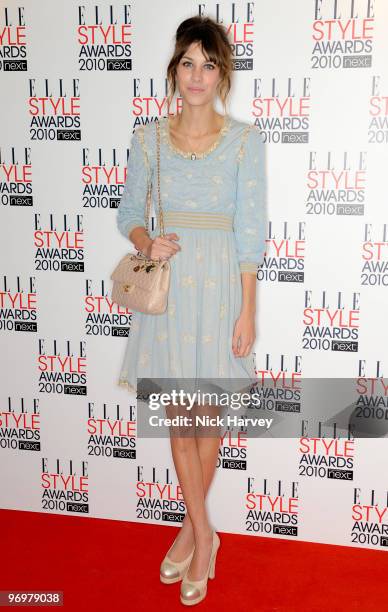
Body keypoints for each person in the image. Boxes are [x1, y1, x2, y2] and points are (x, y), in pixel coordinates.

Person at [116, 15, 267, 607]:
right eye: (188, 63)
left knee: (208, 420)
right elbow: (128, 209)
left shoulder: (244, 141)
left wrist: (248, 311)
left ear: (222, 73)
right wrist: (144, 241)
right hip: (174, 292)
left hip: (222, 289)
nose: (197, 75)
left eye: (209, 64)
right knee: (182, 419)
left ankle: (191, 529)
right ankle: (206, 535)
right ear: (174, 70)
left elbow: (251, 233)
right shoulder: (149, 138)